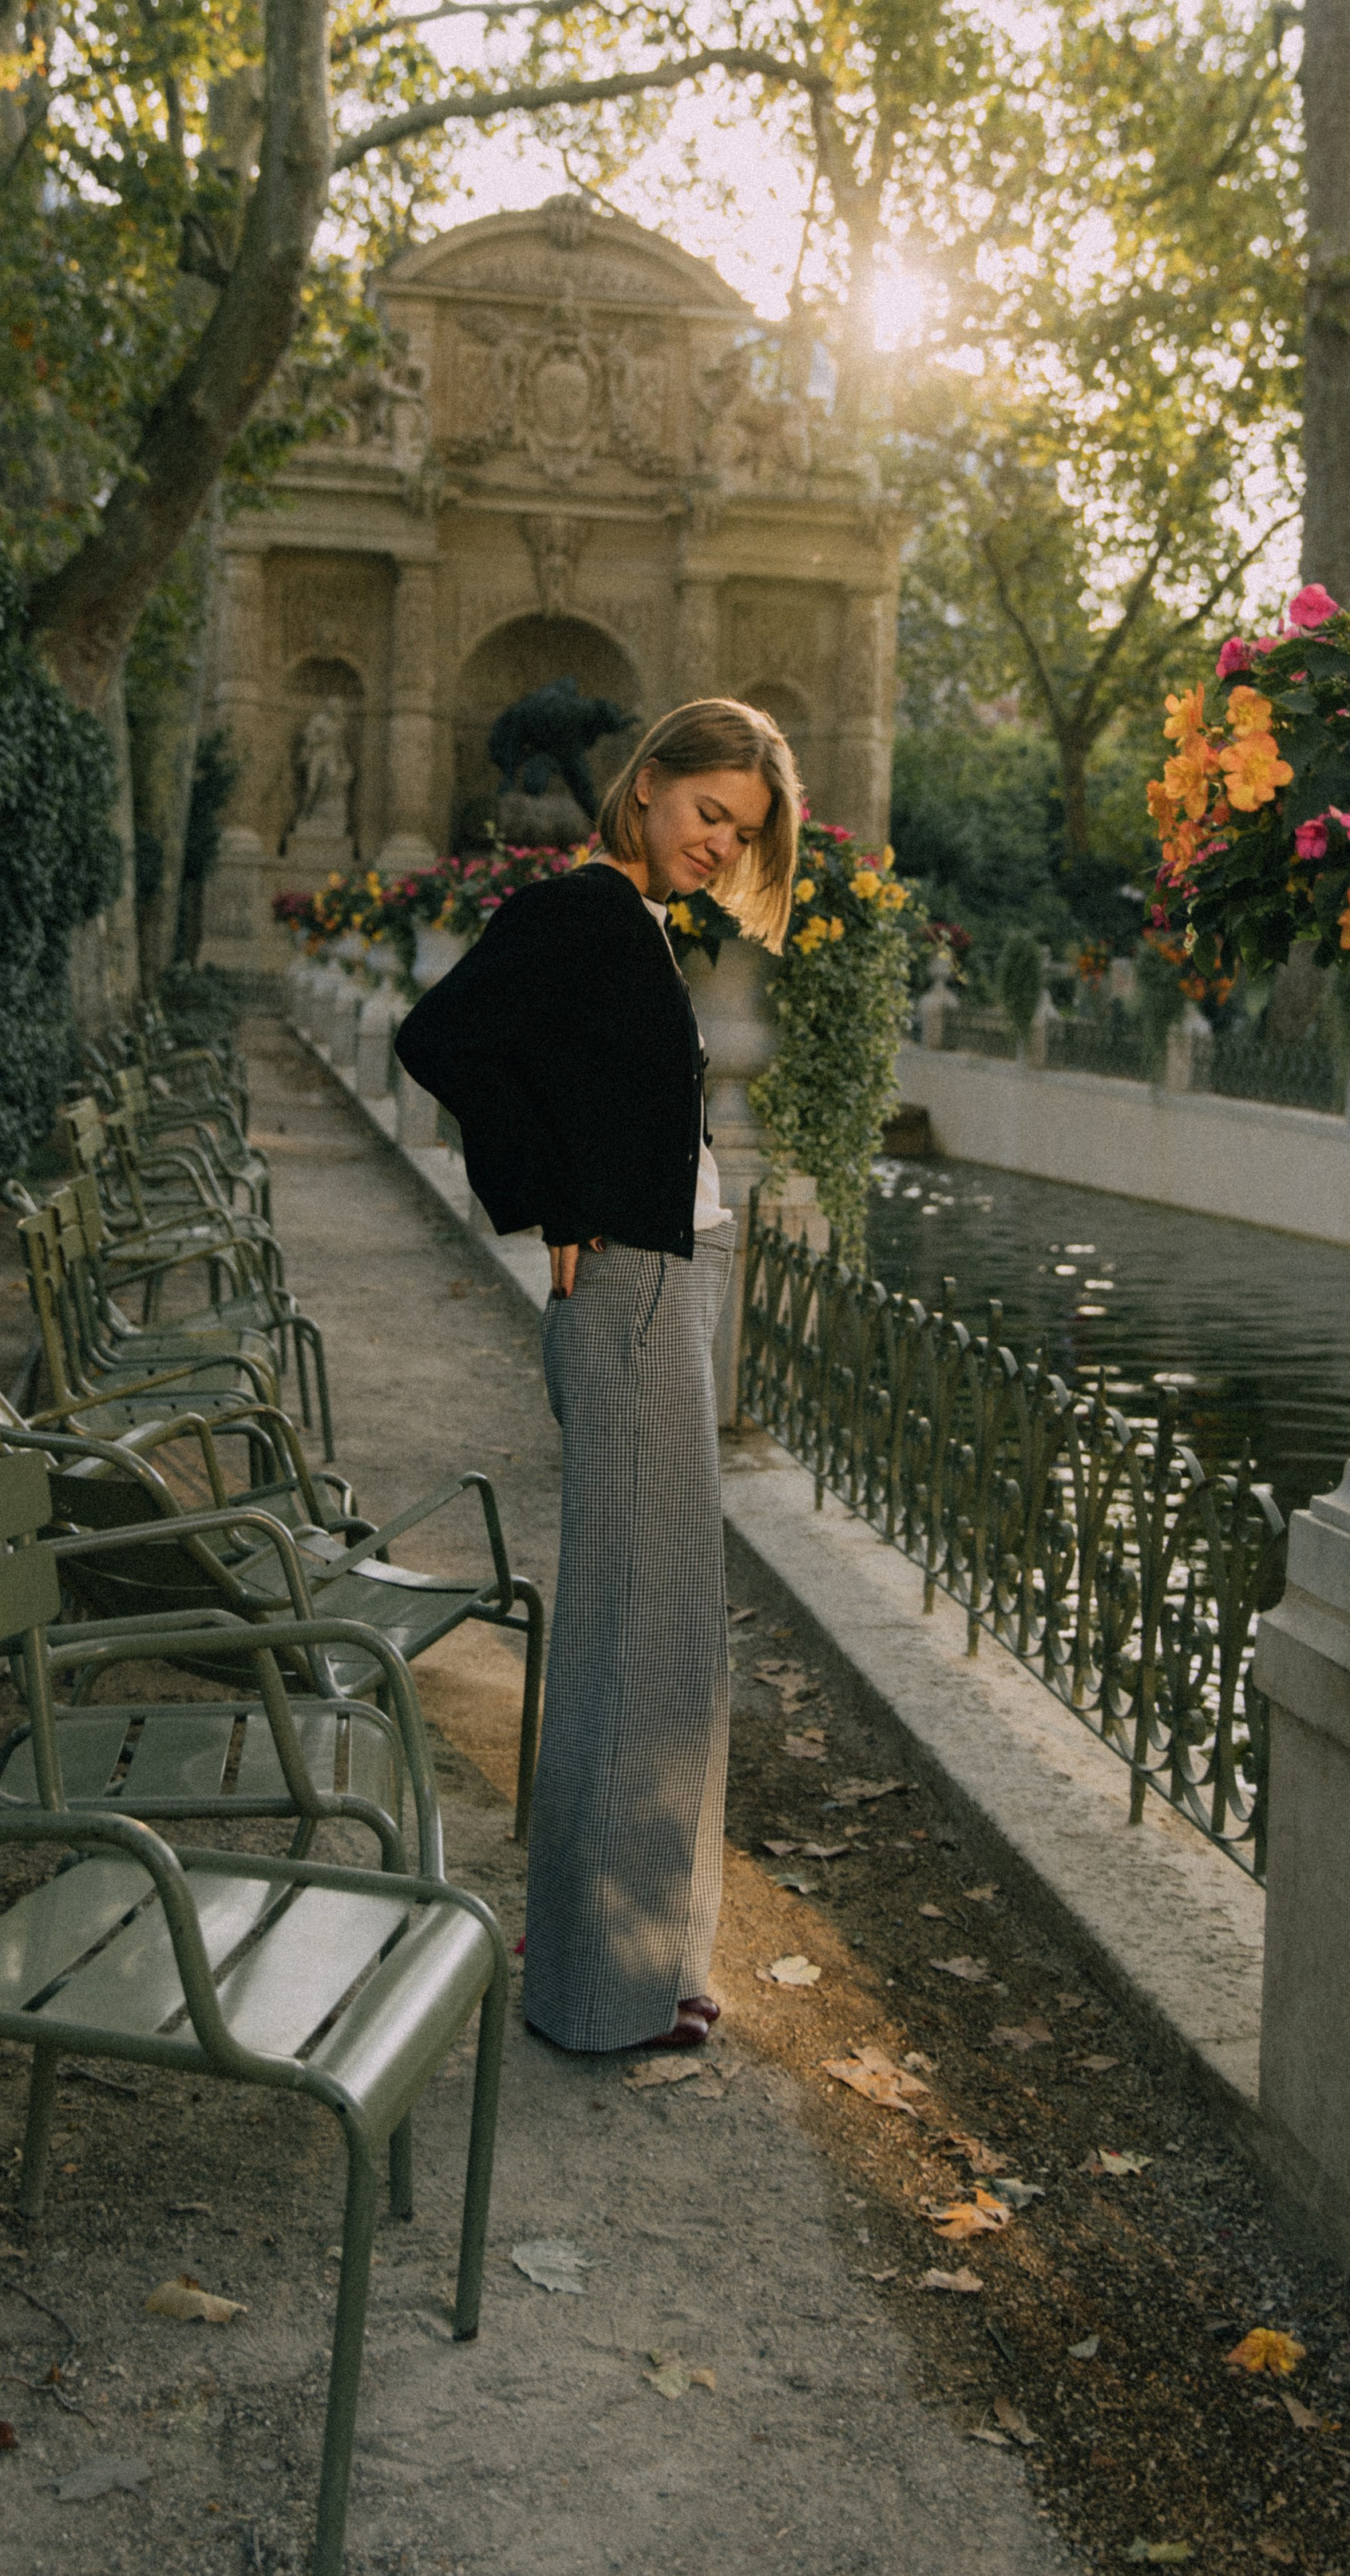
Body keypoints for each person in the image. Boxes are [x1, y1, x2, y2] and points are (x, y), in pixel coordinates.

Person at [394, 697, 803, 2052]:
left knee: (664, 1639)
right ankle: (598, 1987)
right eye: (707, 812)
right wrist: (550, 1203)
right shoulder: (577, 912)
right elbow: (440, 1041)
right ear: (647, 789)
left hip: (664, 1291)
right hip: (628, 1294)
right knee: (640, 1641)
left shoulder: (630, 923)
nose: (716, 842)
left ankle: (634, 1951)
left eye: (737, 831)